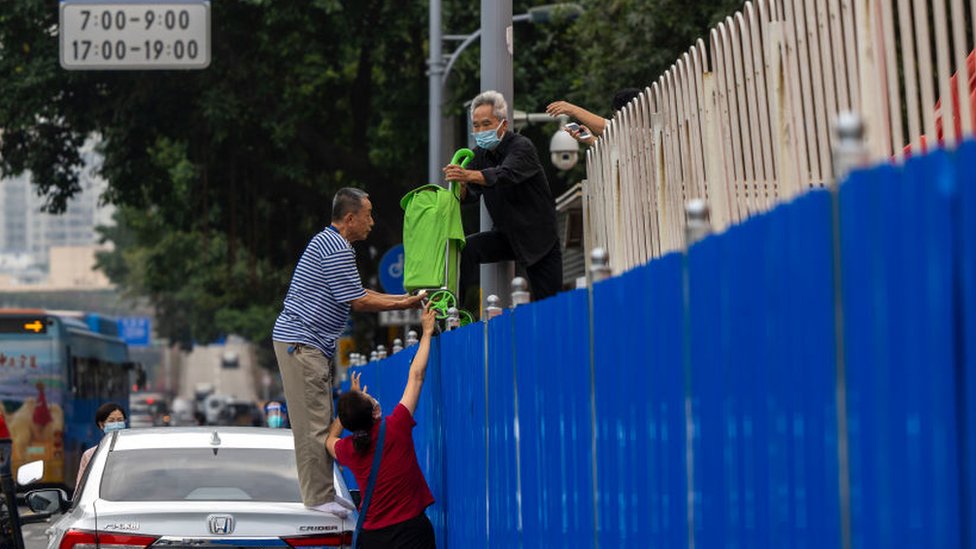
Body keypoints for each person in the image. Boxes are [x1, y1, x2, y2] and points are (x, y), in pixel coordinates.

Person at [272, 187, 425, 515]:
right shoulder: (336, 248)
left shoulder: (332, 243)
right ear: (350, 218)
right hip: (302, 343)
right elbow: (359, 301)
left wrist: (404, 301)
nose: (372, 222)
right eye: (368, 215)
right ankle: (318, 498)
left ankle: (322, 493)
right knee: (313, 424)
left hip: (305, 342)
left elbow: (357, 291)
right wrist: (404, 301)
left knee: (321, 418)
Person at [326, 305, 437, 549]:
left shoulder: (349, 448)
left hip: (373, 538)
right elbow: (416, 376)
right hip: (412, 534)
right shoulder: (397, 425)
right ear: (376, 411)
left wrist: (346, 412)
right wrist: (427, 332)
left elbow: (328, 441)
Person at [442, 90, 563, 304]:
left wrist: (468, 175)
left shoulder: (521, 146)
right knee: (466, 249)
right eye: (476, 125)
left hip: (538, 240)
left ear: (503, 125)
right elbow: (469, 193)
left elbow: (505, 175)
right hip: (506, 236)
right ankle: (458, 312)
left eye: (486, 124)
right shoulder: (479, 154)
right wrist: (460, 186)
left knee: (549, 305)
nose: (480, 131)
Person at [545, 88, 642, 145]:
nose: (615, 120)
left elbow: (607, 127)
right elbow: (614, 148)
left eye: (616, 115)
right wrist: (590, 138)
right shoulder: (632, 140)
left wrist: (573, 110)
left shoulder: (645, 132)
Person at [74, 402, 126, 496]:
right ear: (101, 425)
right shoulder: (90, 455)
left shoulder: (131, 450)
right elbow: (80, 489)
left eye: (120, 420)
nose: (116, 424)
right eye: (111, 421)